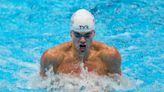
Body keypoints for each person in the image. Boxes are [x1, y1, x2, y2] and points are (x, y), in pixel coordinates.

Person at [40, 9, 121, 78]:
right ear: (71, 34)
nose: (82, 40)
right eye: (78, 35)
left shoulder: (109, 56)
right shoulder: (52, 57)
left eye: (87, 35)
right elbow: (42, 86)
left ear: (93, 34)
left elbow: (118, 85)